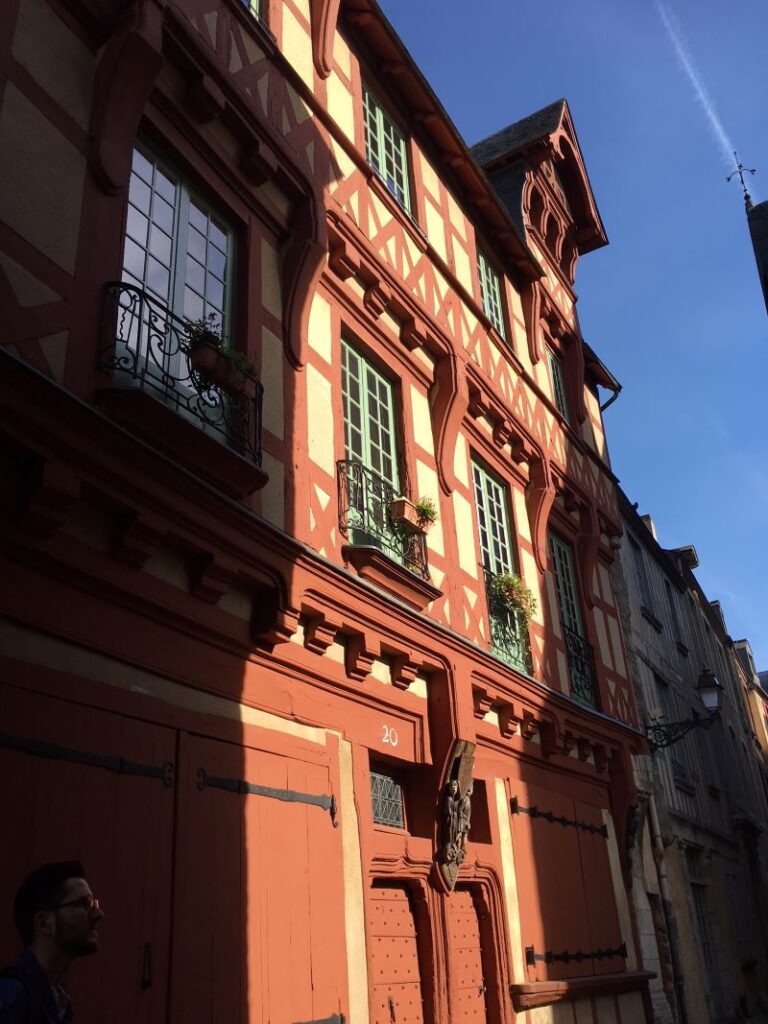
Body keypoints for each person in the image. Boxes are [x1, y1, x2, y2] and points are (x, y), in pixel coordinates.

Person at [0, 862, 104, 1023]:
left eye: (93, 904)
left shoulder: (60, 1004)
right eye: (84, 904)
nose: (98, 914)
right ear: (44, 924)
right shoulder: (10, 996)